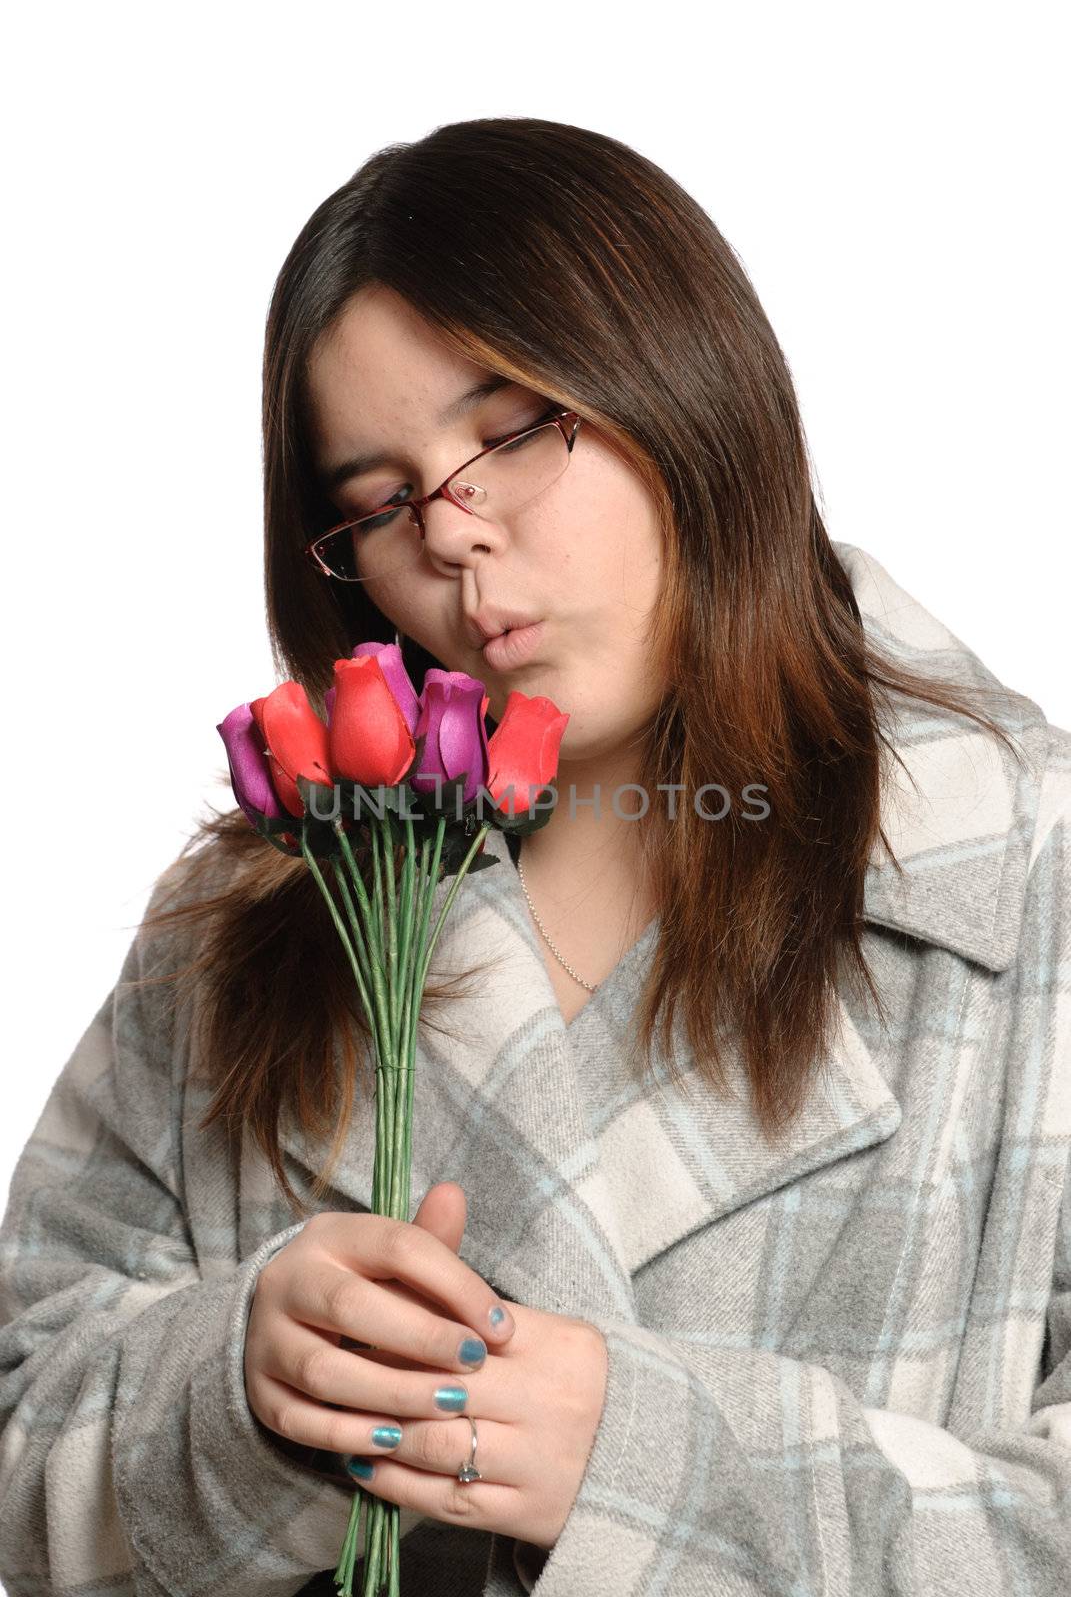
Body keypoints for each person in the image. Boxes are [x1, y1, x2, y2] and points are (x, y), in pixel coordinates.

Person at [1, 116, 1069, 1597]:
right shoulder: (258, 912)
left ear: (682, 382)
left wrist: (656, 1474)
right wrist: (246, 1397)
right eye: (376, 502)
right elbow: (21, 1413)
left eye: (508, 431)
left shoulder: (1024, 876)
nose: (453, 538)